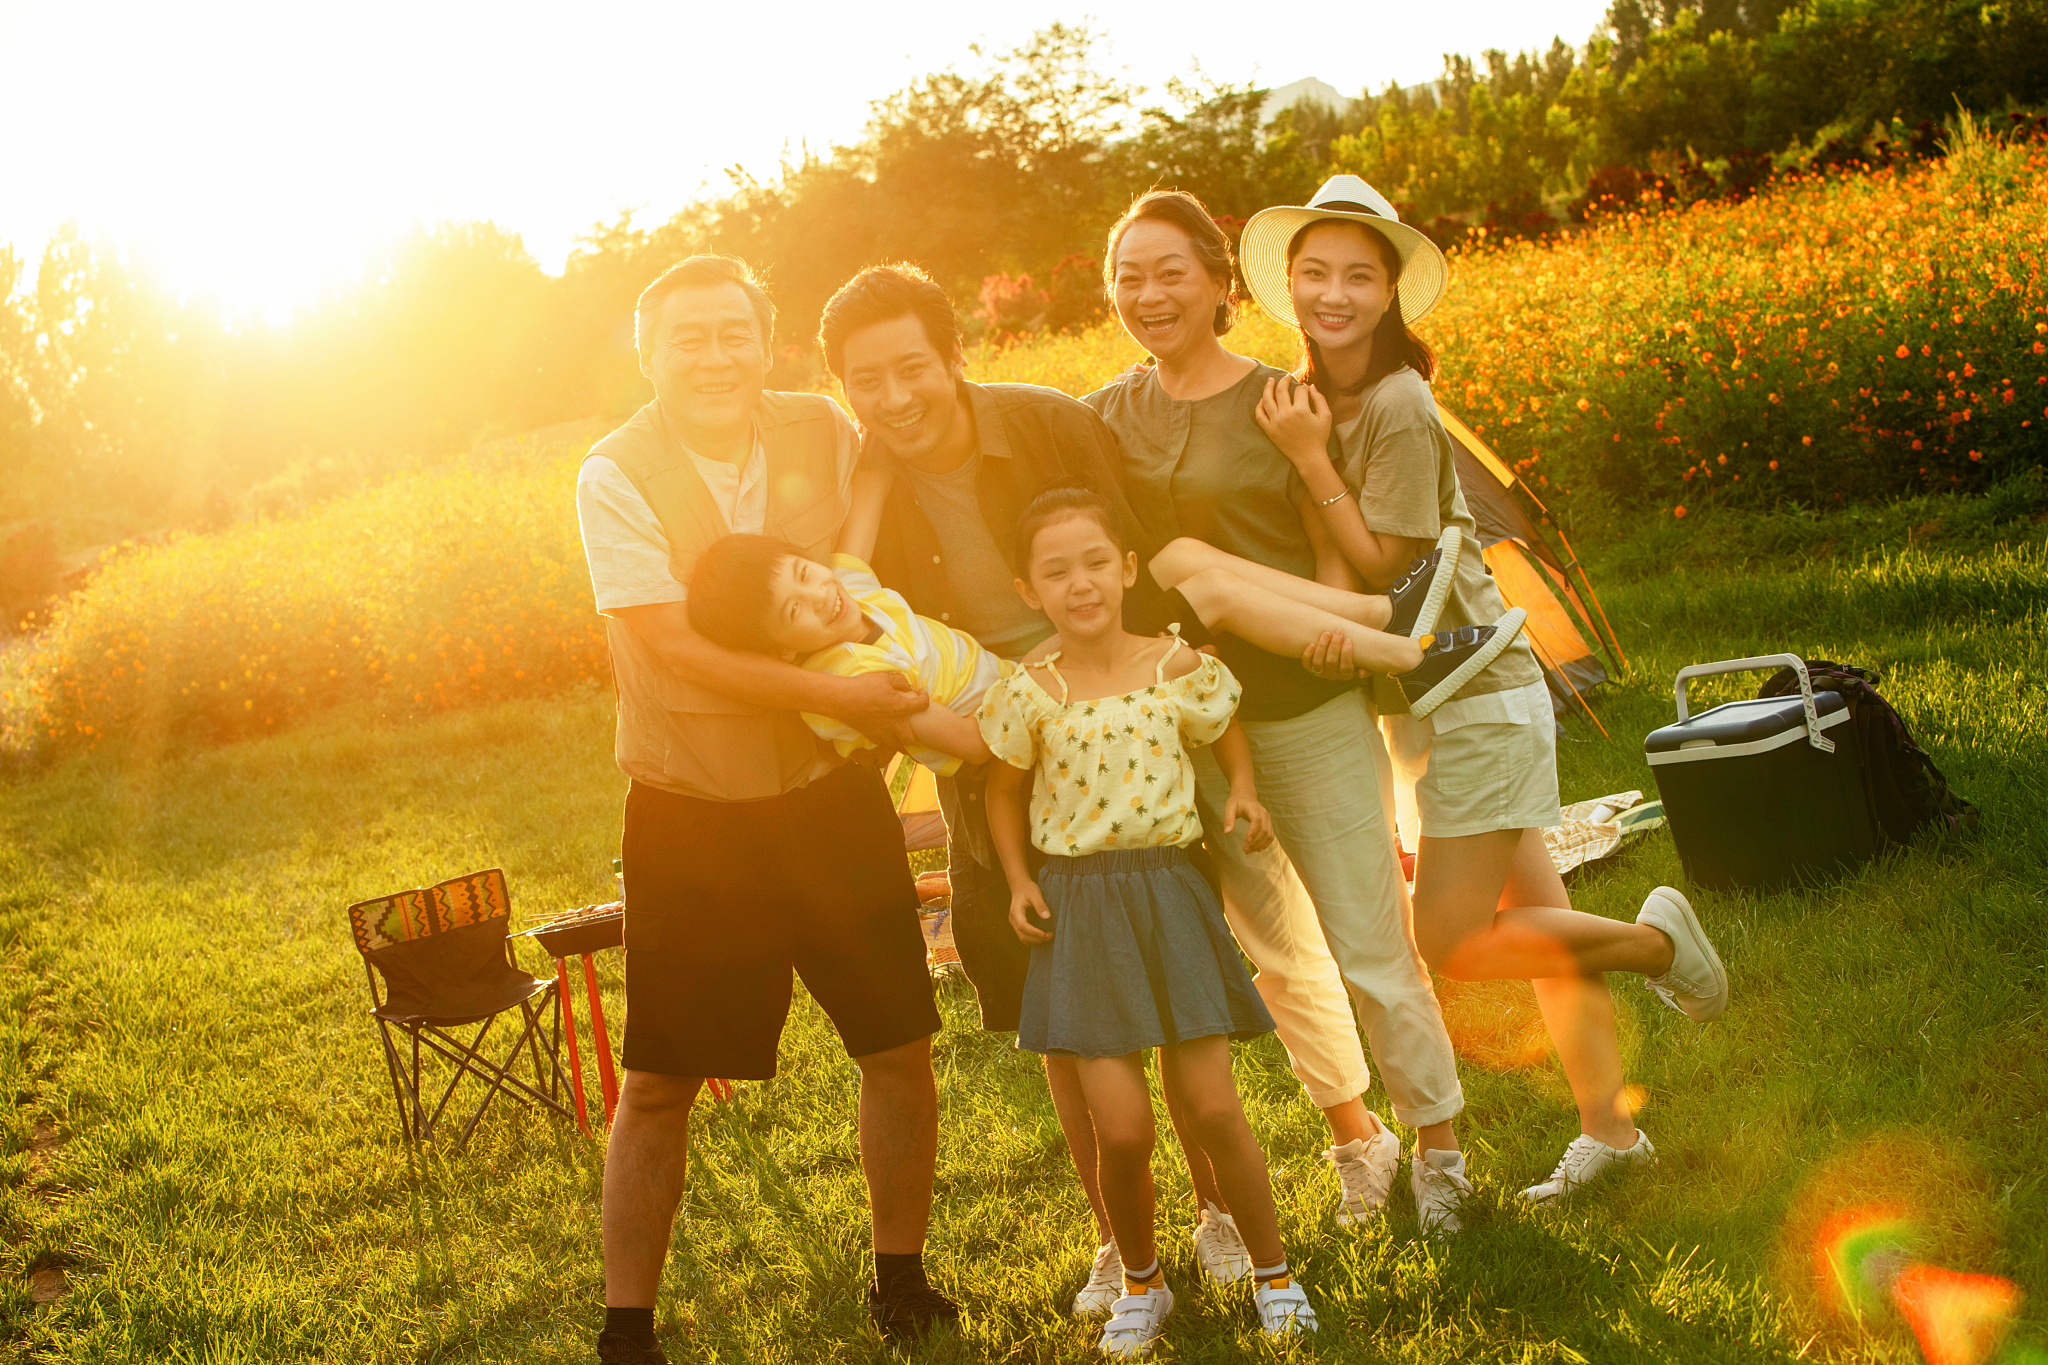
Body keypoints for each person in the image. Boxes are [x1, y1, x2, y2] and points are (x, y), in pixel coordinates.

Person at [814, 264, 1443, 1308]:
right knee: (1059, 1003)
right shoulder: (864, 482)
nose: (892, 398)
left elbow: (1139, 561)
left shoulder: (1052, 427)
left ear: (954, 356)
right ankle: (1120, 1236)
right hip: (999, 744)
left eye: (911, 369)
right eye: (863, 380)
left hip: (1120, 717)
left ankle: (1280, 1179)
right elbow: (848, 602)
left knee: (1223, 953)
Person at [1236, 174, 1731, 1202]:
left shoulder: (1401, 404)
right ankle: (1611, 1135)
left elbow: (1386, 564)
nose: (1333, 292)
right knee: (1542, 930)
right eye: (1314, 272)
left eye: (1357, 277)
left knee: (1450, 941)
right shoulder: (1309, 400)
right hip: (1428, 705)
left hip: (1477, 698)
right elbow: (1335, 566)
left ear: (1389, 295)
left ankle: (1654, 941)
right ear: (1289, 286)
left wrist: (1304, 460)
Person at [573, 254, 957, 1365]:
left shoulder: (825, 431)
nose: (712, 355)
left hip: (831, 800)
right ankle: (626, 1328)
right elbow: (671, 644)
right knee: (658, 1082)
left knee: (896, 1046)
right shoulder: (616, 472)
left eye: (731, 332)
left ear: (764, 340)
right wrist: (837, 694)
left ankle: (900, 1279)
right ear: (647, 356)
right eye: (685, 338)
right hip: (693, 813)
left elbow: (889, 519)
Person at [1086, 189, 1477, 1235]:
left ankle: (1437, 1143)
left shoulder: (1278, 400)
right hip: (1193, 728)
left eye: (1171, 270)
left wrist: (1325, 633)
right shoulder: (1106, 413)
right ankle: (1358, 1138)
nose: (1149, 292)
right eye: (1128, 274)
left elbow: (1323, 533)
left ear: (1220, 284)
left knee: (1364, 935)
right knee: (1275, 949)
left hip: (1303, 703)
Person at [980, 487, 1317, 1357]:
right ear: (1029, 589)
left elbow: (1225, 728)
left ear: (1127, 569)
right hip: (1080, 905)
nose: (1081, 583)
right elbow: (1002, 789)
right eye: (1056, 571)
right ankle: (1142, 1280)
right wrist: (1019, 878)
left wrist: (1242, 791)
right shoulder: (1032, 691)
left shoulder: (1176, 667)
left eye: (1096, 562)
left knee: (1212, 1107)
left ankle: (1273, 1271)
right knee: (1121, 1127)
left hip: (1169, 892)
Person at [685, 533, 1001, 776]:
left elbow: (868, 495)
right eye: (794, 610)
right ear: (784, 650)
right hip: (1007, 737)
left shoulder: (850, 589)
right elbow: (975, 744)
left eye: (804, 573)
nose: (819, 596)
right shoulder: (860, 679)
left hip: (1010, 681)